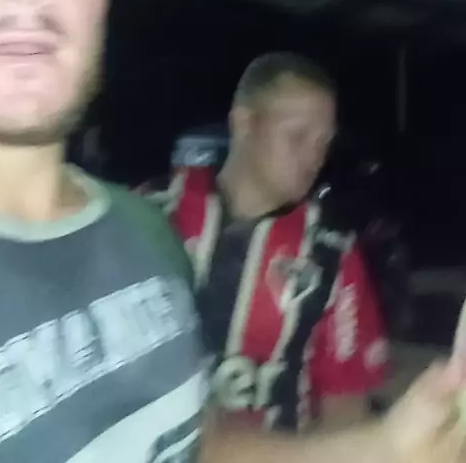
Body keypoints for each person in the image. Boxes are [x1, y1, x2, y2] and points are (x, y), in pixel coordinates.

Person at [0, 0, 464, 463]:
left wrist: (387, 446)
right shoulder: (166, 208)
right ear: (243, 121)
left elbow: (196, 439)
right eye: (297, 132)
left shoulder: (143, 236)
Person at [149, 53, 390, 430]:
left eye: (324, 143)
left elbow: (345, 410)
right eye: (297, 136)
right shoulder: (152, 218)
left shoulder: (332, 254)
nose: (314, 157)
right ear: (244, 123)